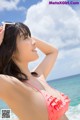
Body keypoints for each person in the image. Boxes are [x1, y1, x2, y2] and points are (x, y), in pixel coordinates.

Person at [0, 22, 70, 120]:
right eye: (25, 38)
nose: (34, 42)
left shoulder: (38, 76)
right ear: (11, 50)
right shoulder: (14, 85)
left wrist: (20, 30)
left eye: (30, 37)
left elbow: (53, 51)